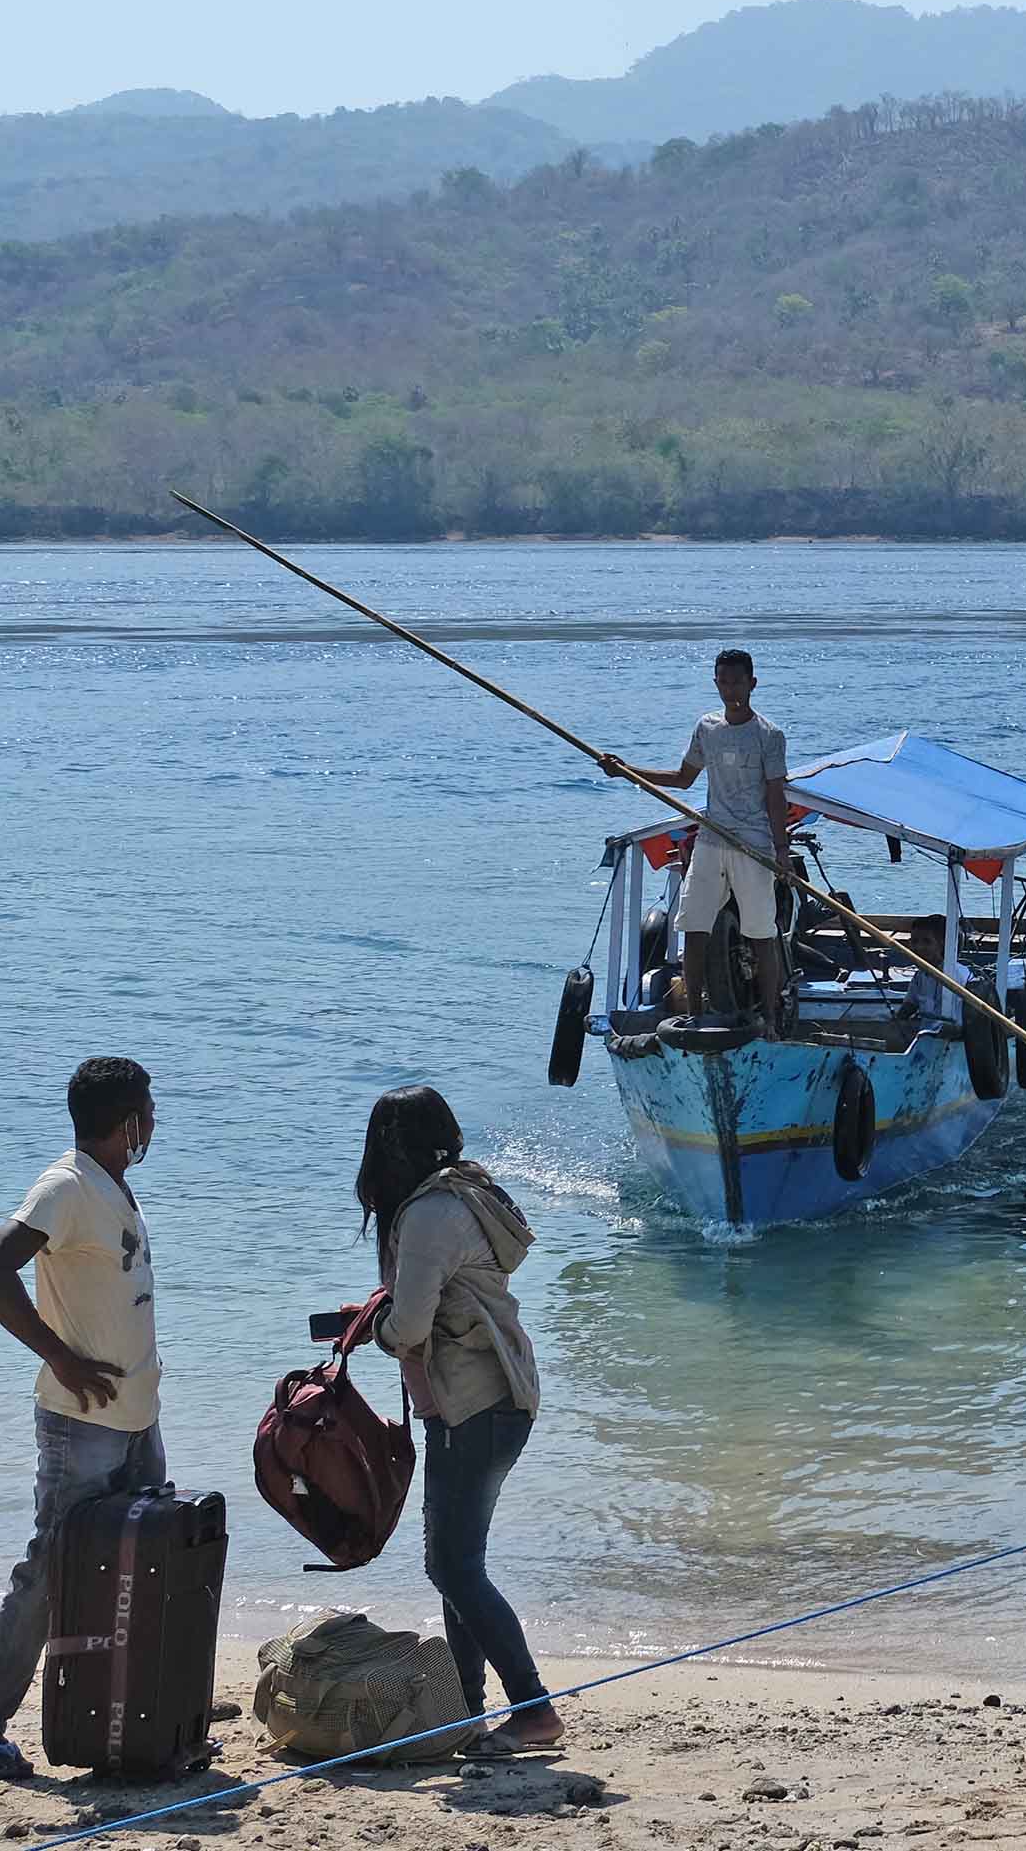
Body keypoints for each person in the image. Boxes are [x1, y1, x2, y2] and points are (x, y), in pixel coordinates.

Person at [0, 1056, 165, 1782]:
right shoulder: (67, 1185)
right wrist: (60, 1357)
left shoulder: (112, 1186)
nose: (156, 1118)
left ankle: (135, 1721)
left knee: (141, 1570)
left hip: (137, 1419)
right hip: (81, 1424)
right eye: (149, 1106)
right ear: (128, 1122)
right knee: (50, 1569)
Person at [357, 1086, 560, 1754]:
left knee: (453, 1564)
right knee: (456, 1561)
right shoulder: (467, 1191)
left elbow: (410, 1323)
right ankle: (467, 1712)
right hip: (498, 1399)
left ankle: (532, 1708)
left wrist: (378, 1330)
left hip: (473, 1405)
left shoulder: (429, 1213)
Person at [596, 647, 790, 1031]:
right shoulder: (707, 728)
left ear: (752, 684)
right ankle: (695, 1013)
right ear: (716, 683)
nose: (731, 689)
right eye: (724, 681)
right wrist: (627, 771)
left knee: (761, 932)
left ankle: (769, 1017)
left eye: (738, 681)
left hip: (753, 844)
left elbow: (774, 795)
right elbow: (683, 779)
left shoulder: (769, 735)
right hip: (712, 838)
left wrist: (781, 851)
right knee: (693, 925)